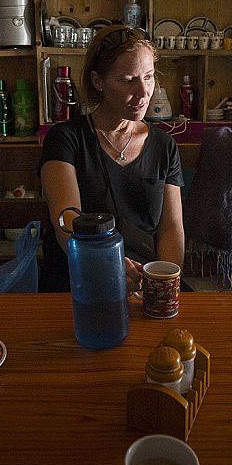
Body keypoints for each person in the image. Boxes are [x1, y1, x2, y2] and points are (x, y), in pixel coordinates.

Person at [38, 25, 185, 293]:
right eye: (128, 80)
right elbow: (66, 223)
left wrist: (163, 282)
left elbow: (171, 229)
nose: (143, 92)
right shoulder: (66, 139)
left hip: (143, 283)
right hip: (78, 281)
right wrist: (107, 266)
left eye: (149, 77)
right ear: (98, 82)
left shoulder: (164, 146)